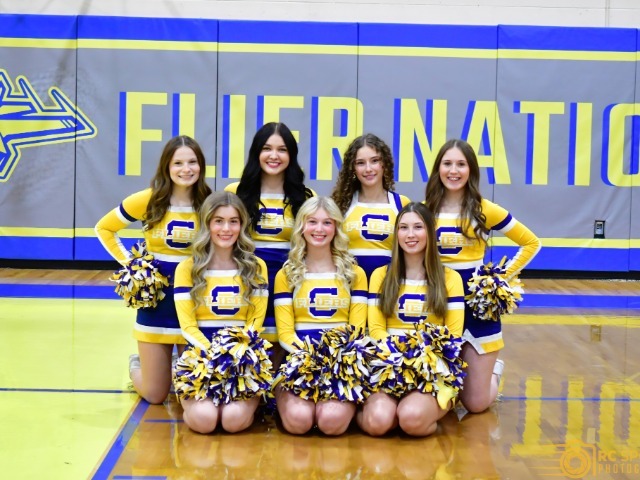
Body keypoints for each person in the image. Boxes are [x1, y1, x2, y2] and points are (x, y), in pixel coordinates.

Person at [424, 139, 541, 413]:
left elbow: (531, 242)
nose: (454, 171)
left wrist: (499, 279)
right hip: (437, 303)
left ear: (471, 170)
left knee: (475, 404)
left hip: (477, 307)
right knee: (437, 398)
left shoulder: (484, 209)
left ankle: (493, 372)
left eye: (461, 164)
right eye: (447, 164)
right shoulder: (425, 210)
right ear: (438, 169)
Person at [95, 135, 211, 404]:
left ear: (201, 166)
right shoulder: (148, 199)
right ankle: (137, 366)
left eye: (192, 162)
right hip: (156, 301)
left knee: (192, 392)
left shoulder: (210, 202)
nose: (186, 169)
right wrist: (133, 266)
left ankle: (171, 366)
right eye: (178, 163)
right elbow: (105, 228)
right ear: (166, 167)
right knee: (155, 394)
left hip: (194, 302)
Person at [360, 202, 465, 437]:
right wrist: (401, 359)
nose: (410, 235)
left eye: (418, 227)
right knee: (378, 422)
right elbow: (376, 330)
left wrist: (418, 360)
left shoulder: (450, 278)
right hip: (389, 364)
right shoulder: (380, 276)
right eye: (403, 228)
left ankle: (426, 411)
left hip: (433, 370)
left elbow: (453, 335)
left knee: (411, 419)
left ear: (430, 232)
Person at [173, 191, 269, 434]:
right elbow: (188, 327)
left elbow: (255, 323)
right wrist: (215, 357)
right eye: (218, 221)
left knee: (233, 421)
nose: (226, 229)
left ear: (242, 225)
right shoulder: (187, 268)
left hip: (242, 359)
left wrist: (235, 356)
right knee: (204, 421)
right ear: (207, 224)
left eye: (233, 221)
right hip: (200, 357)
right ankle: (138, 367)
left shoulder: (256, 267)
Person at [273, 196, 368, 435]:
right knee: (299, 421)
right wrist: (310, 360)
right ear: (301, 227)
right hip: (298, 360)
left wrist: (332, 362)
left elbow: (356, 331)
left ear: (336, 228)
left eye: (327, 222)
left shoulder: (354, 273)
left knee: (331, 422)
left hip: (341, 363)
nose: (319, 229)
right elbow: (285, 333)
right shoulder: (286, 274)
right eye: (312, 222)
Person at [225, 122, 314, 349]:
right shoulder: (235, 192)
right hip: (246, 281)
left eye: (282, 149)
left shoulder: (306, 197)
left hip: (290, 282)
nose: (274, 156)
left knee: (283, 356)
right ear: (256, 152)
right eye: (267, 148)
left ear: (291, 155)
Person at [331, 133, 410, 279]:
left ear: (384, 164)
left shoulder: (401, 204)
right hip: (350, 283)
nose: (368, 169)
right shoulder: (341, 204)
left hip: (388, 285)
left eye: (374, 161)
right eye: (360, 163)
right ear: (352, 168)